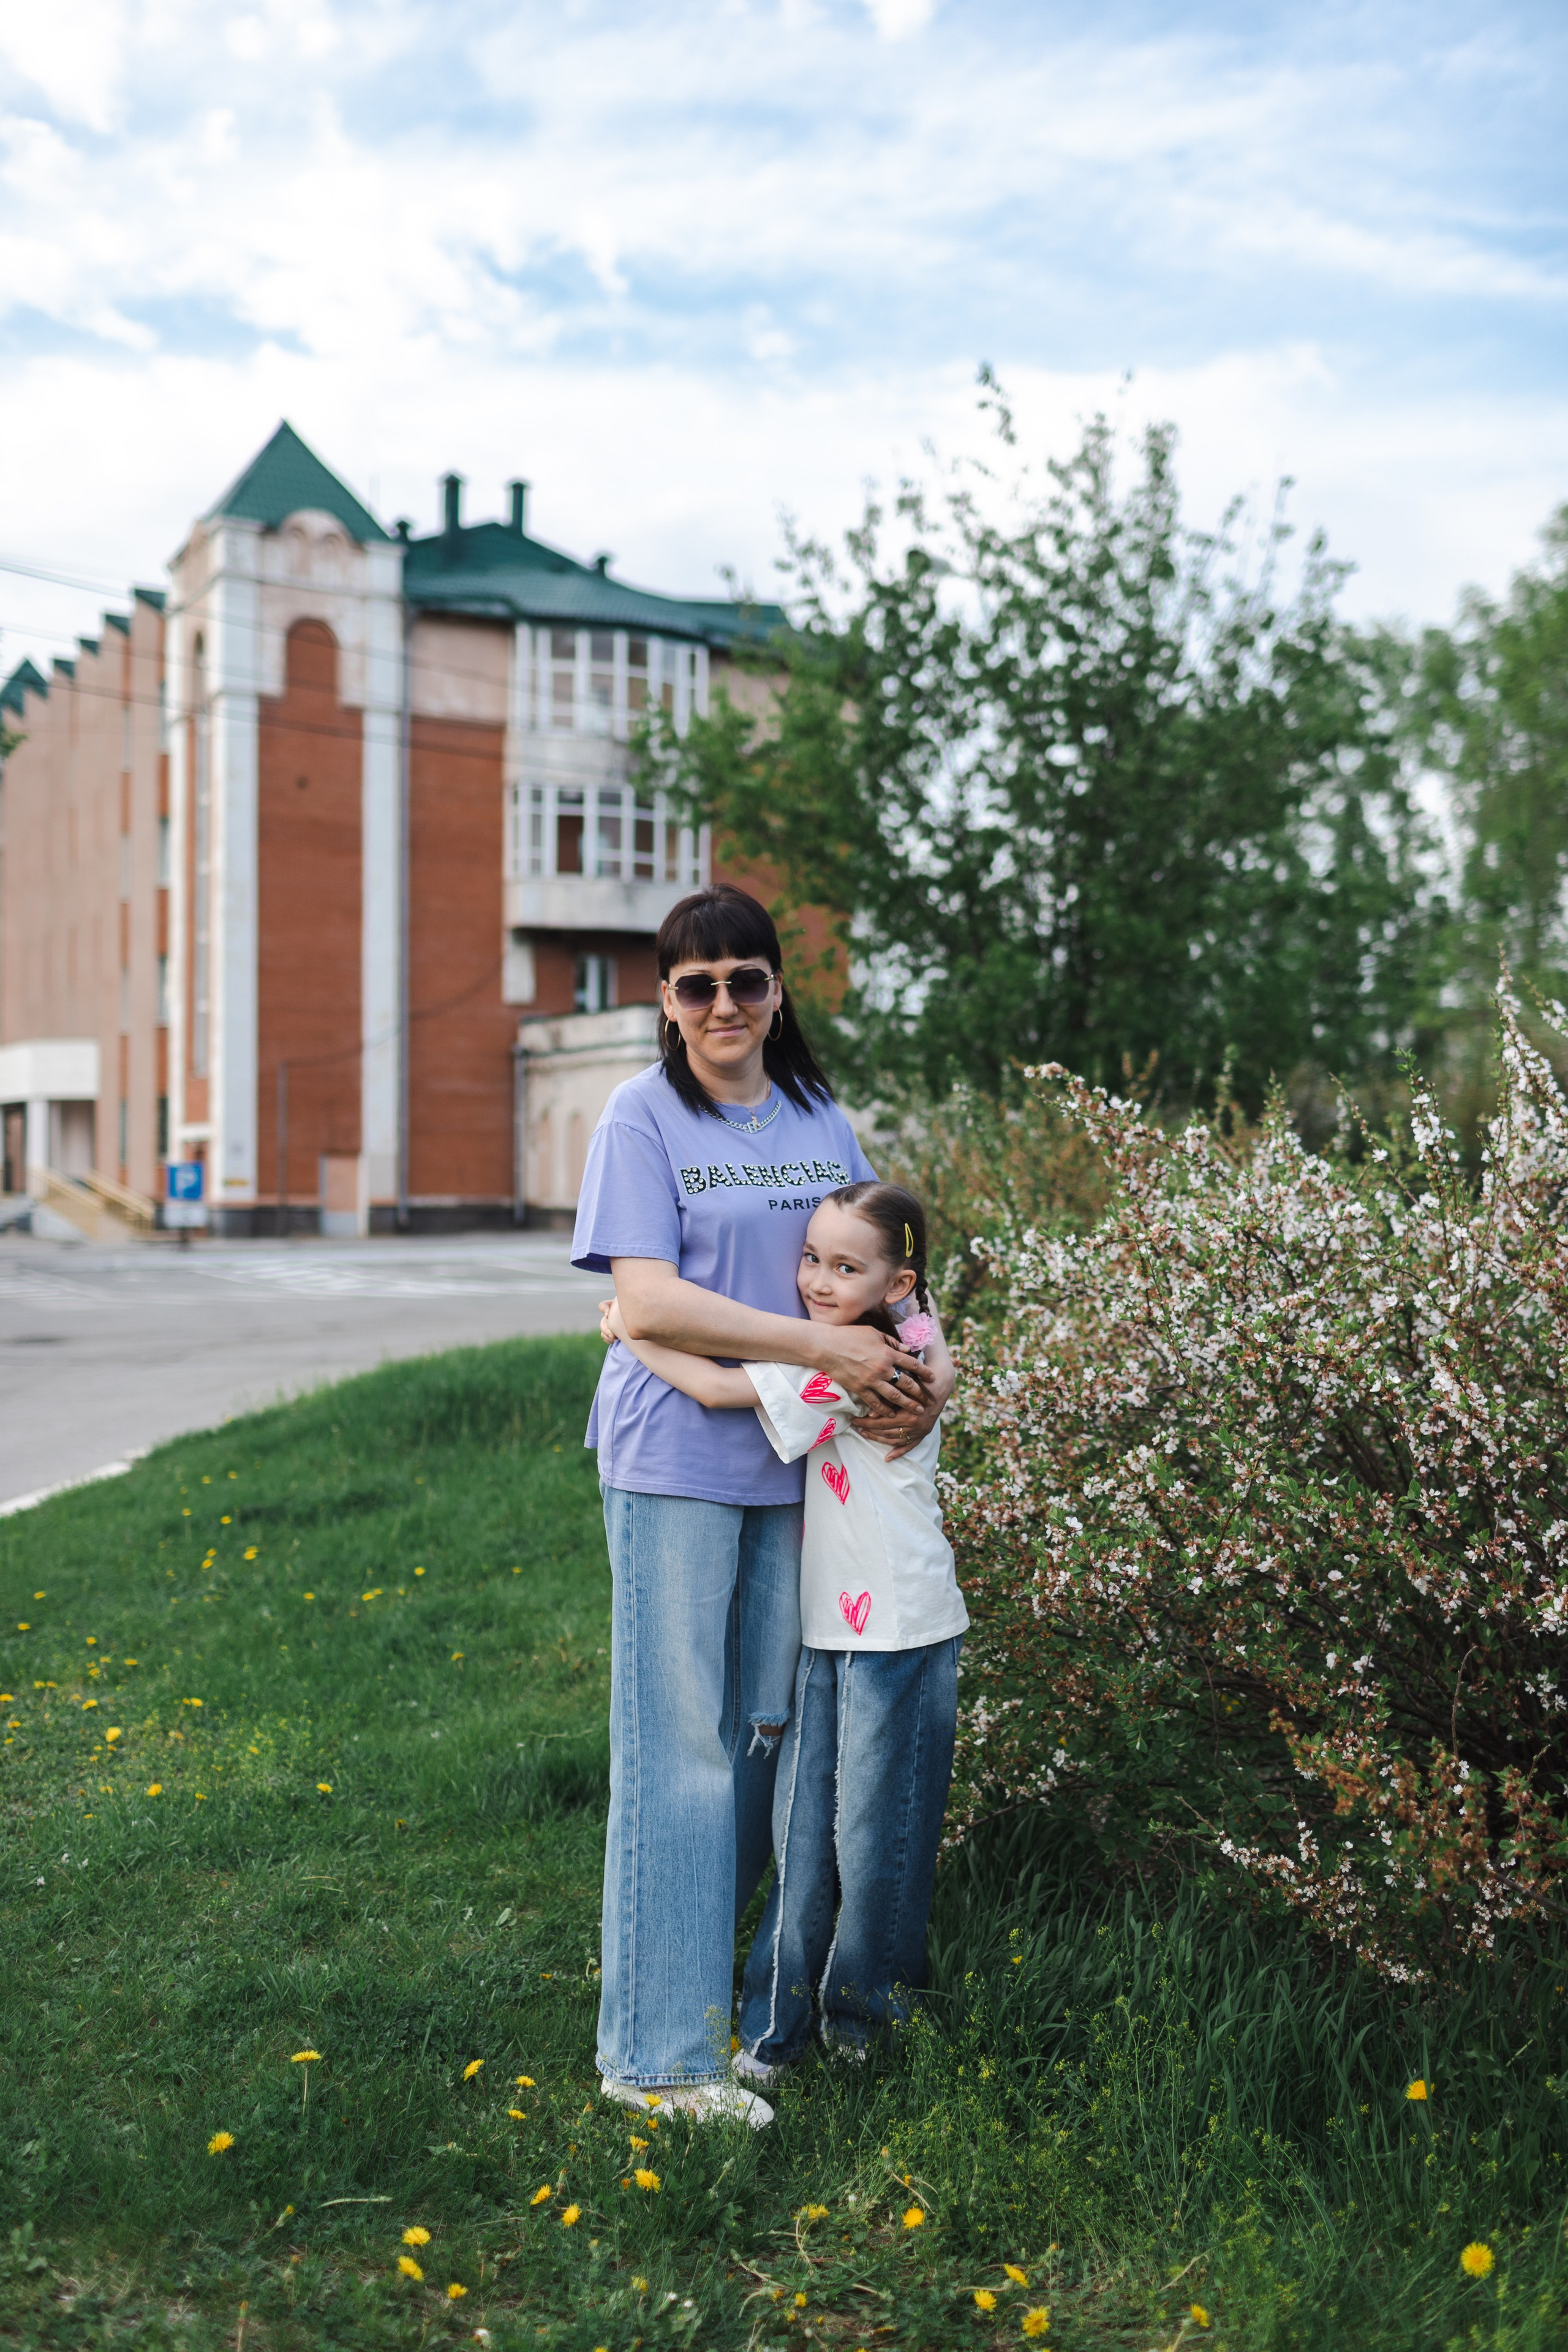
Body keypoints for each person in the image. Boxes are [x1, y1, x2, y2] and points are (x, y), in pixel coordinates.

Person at [570, 884, 954, 2127]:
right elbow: (647, 1304)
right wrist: (813, 1350)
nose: (723, 1003)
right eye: (696, 985)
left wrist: (925, 1377)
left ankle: (729, 2003)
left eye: (745, 979)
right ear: (667, 1005)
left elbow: (884, 1280)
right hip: (672, 1458)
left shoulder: (815, 1117)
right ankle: (652, 2059)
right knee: (677, 1751)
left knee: (761, 1748)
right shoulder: (639, 1119)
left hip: (795, 1471)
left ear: (776, 992)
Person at [603, 1179, 967, 2078]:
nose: (815, 1280)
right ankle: (782, 2023)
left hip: (900, 1627)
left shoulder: (853, 1362)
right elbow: (927, 1324)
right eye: (811, 1258)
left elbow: (720, 1390)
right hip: (841, 1625)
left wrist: (634, 1332)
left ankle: (858, 2024)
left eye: (846, 1267)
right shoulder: (905, 1335)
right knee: (811, 1827)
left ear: (894, 1284)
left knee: (869, 1835)